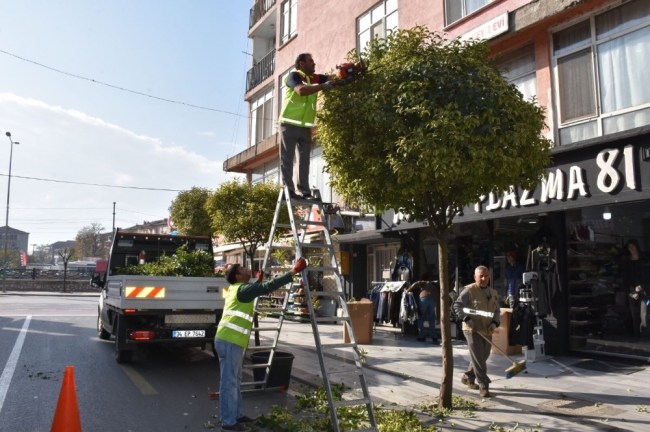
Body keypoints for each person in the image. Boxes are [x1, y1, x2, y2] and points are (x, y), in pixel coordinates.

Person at [214, 257, 308, 431]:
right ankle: (228, 421)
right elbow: (266, 288)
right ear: (237, 275)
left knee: (235, 380)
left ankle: (237, 415)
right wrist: (293, 272)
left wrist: (258, 281)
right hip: (229, 341)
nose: (246, 268)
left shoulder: (238, 289)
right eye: (242, 268)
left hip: (231, 341)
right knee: (229, 382)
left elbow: (255, 290)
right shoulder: (242, 289)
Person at [278, 53, 339, 201]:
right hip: (289, 123)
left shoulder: (313, 78)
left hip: (305, 126)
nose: (314, 63)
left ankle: (305, 192)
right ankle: (289, 191)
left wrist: (345, 74)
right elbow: (300, 90)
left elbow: (332, 78)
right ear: (301, 63)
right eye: (311, 61)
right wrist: (322, 87)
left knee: (304, 160)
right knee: (287, 158)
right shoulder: (293, 76)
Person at [453, 265, 501, 398]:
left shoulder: (493, 293)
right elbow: (457, 305)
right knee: (479, 359)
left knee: (483, 356)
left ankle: (467, 377)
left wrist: (494, 323)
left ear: (489, 277)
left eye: (486, 276)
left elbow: (497, 311)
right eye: (481, 276)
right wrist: (466, 318)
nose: (484, 278)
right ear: (475, 277)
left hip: (487, 329)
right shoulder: (469, 290)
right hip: (472, 329)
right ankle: (483, 385)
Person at [622, 239, 648, 338]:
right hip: (632, 291)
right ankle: (637, 335)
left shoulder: (644, 259)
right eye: (629, 247)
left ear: (637, 247)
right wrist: (633, 290)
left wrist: (642, 286)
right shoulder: (627, 262)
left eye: (633, 246)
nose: (631, 249)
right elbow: (625, 278)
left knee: (646, 311)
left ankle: (646, 333)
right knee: (635, 314)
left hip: (645, 290)